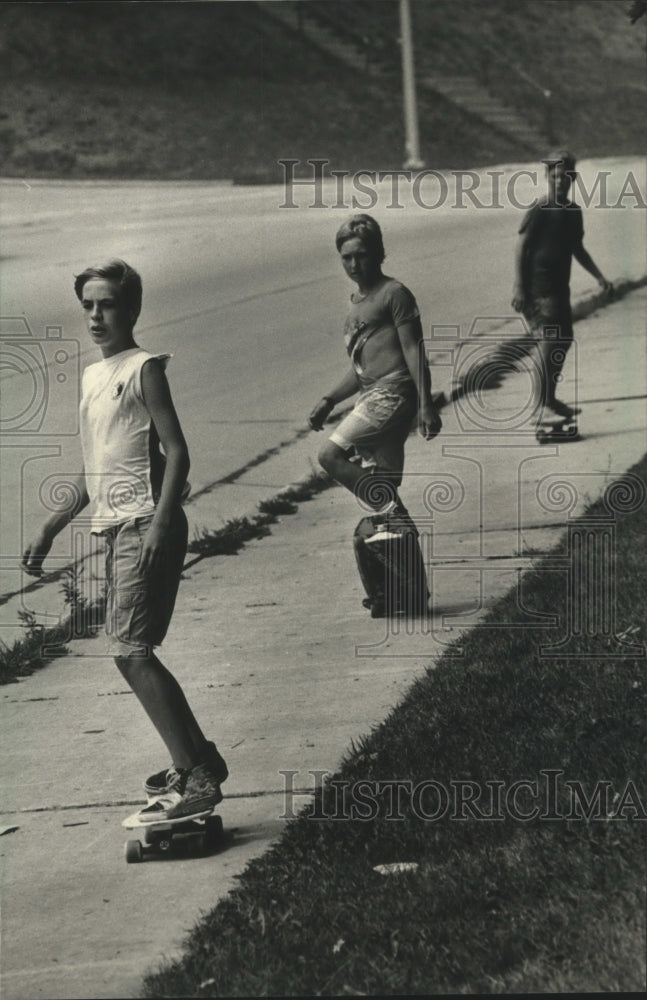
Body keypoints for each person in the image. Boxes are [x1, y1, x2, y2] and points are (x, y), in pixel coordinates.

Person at [21, 259, 228, 821]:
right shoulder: (93, 377)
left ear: (131, 309)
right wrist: (49, 527)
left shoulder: (144, 368)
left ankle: (198, 773)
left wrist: (162, 522)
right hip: (118, 530)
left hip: (145, 525)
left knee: (131, 653)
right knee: (131, 653)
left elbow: (177, 453)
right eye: (87, 304)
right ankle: (198, 757)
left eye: (107, 303)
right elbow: (95, 473)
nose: (95, 315)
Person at [309, 214, 441, 540]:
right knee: (384, 483)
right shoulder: (356, 305)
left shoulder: (394, 294)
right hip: (372, 396)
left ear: (378, 253)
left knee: (329, 456)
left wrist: (426, 404)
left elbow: (413, 350)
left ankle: (393, 514)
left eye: (362, 255)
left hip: (392, 395)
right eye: (347, 257)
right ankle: (399, 571)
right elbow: (361, 371)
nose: (354, 264)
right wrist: (329, 400)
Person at [511, 149, 613, 418]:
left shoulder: (573, 211)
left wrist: (599, 276)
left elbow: (577, 247)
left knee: (563, 339)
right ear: (548, 177)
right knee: (549, 343)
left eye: (565, 177)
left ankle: (550, 399)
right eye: (555, 176)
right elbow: (522, 246)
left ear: (573, 179)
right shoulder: (540, 209)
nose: (560, 181)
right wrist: (519, 287)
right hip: (537, 289)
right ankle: (541, 406)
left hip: (559, 289)